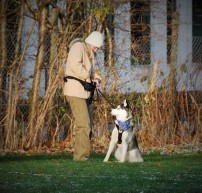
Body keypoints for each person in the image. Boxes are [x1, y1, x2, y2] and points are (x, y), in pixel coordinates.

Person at [64, 31, 103, 161]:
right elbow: (74, 64)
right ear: (90, 42)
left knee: (88, 125)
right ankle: (81, 158)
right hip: (75, 92)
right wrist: (86, 77)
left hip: (85, 93)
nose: (96, 49)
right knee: (84, 125)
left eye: (98, 47)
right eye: (96, 46)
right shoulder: (78, 47)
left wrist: (96, 79)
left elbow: (93, 71)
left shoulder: (90, 52)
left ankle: (83, 156)